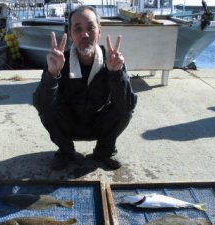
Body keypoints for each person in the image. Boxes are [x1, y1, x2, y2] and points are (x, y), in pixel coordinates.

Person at [33, 5, 137, 170]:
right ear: (71, 33)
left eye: (90, 27)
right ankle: (66, 152)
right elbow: (41, 104)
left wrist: (116, 74)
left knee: (125, 108)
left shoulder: (112, 60)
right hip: (69, 124)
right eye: (78, 29)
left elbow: (127, 106)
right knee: (46, 107)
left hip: (99, 124)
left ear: (99, 31)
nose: (85, 34)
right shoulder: (59, 60)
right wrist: (52, 74)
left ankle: (104, 152)